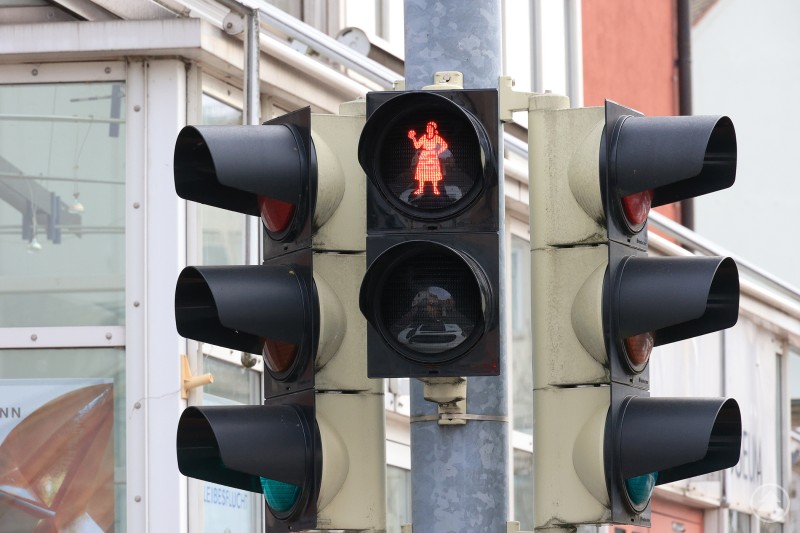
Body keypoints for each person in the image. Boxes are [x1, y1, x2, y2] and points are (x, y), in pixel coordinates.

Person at [407, 121, 448, 195]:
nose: (428, 129)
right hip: (424, 156)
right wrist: (413, 138)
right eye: (427, 128)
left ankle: (435, 188)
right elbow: (417, 146)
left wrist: (438, 152)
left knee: (434, 173)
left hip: (432, 155)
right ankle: (421, 189)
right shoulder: (424, 137)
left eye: (430, 128)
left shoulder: (436, 137)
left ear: (433, 129)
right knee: (422, 173)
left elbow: (445, 145)